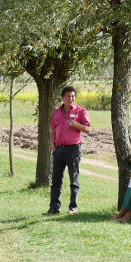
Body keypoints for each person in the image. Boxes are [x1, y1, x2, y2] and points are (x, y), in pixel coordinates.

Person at [47, 85, 92, 215]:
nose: (70, 98)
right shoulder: (57, 112)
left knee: (74, 179)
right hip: (59, 149)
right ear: (62, 98)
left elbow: (88, 129)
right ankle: (54, 207)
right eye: (68, 96)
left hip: (73, 149)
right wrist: (53, 147)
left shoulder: (81, 111)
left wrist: (76, 124)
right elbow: (53, 130)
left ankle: (73, 207)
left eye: (72, 96)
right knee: (56, 179)